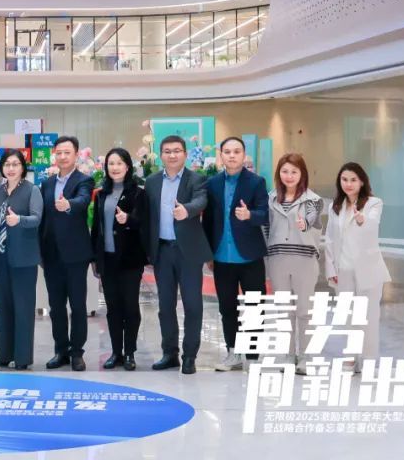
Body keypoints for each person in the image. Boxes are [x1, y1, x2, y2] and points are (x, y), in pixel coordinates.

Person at [137, 135, 210, 374]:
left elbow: (201, 201)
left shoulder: (196, 179)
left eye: (177, 151)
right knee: (165, 306)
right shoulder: (152, 181)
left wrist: (186, 210)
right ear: (161, 155)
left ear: (185, 154)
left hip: (188, 251)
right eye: (167, 151)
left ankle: (190, 356)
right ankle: (170, 353)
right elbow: (147, 216)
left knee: (192, 305)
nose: (172, 155)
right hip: (163, 251)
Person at [203, 136, 270, 372]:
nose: (232, 155)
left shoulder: (256, 182)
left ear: (244, 155)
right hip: (222, 258)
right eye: (227, 152)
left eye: (237, 151)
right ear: (221, 155)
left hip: (250, 256)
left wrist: (250, 215)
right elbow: (208, 221)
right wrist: (208, 253)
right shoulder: (212, 183)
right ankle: (233, 352)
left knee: (254, 306)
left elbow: (265, 214)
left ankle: (252, 355)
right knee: (227, 308)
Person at [324, 162, 390, 371]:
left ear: (362, 182)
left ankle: (368, 359)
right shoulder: (335, 207)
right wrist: (330, 269)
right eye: (344, 179)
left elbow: (373, 226)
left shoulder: (374, 203)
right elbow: (329, 239)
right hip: (343, 270)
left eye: (353, 180)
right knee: (348, 315)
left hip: (368, 270)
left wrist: (362, 220)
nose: (349, 184)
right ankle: (350, 356)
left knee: (369, 316)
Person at [39, 135, 95, 371]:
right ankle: (60, 350)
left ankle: (77, 353)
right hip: (51, 254)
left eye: (67, 152)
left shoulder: (84, 180)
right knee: (56, 307)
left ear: (76, 154)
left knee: (78, 306)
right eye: (59, 152)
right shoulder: (47, 183)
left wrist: (69, 204)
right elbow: (43, 217)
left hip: (75, 255)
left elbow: (83, 200)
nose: (62, 157)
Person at [266, 152, 325, 375]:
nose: (289, 176)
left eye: (294, 171)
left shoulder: (313, 200)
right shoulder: (271, 199)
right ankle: (288, 355)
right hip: (278, 259)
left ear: (302, 174)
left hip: (304, 260)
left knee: (304, 310)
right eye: (285, 171)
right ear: (278, 173)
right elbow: (265, 228)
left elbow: (310, 219)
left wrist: (304, 224)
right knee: (283, 310)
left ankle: (306, 357)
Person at [0, 149, 42, 370]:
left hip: (24, 259)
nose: (11, 168)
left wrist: (20, 220)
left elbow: (37, 218)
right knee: (4, 307)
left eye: (15, 164)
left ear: (22, 167)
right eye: (7, 164)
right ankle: (5, 354)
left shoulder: (31, 190)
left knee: (23, 309)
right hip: (1, 257)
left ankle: (22, 357)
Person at [91, 148, 146, 371]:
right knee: (113, 308)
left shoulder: (138, 193)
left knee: (130, 307)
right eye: (111, 163)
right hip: (107, 259)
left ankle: (130, 352)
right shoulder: (101, 194)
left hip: (130, 260)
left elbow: (143, 222)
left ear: (128, 166)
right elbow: (96, 228)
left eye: (119, 163)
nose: (114, 167)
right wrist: (95, 257)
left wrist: (128, 219)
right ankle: (116, 352)